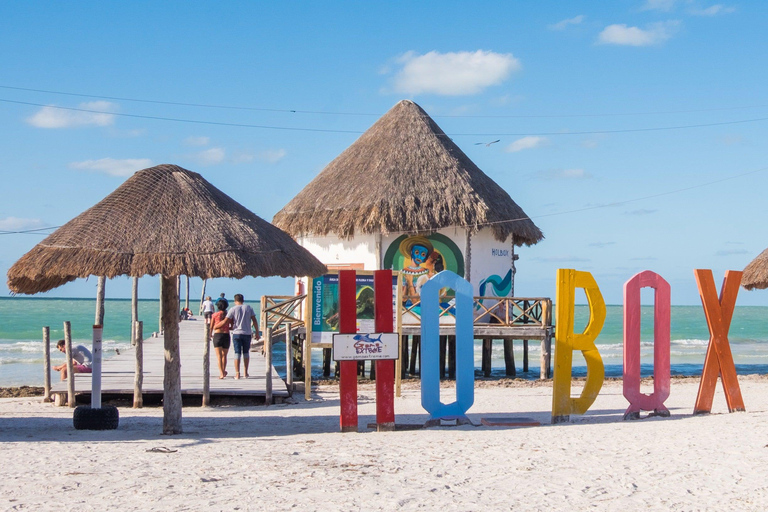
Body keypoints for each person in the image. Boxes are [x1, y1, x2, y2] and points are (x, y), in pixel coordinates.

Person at [215, 293, 259, 380]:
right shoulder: (249, 308)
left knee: (237, 353)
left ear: (235, 301)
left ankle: (237, 374)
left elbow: (225, 321)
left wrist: (215, 327)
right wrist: (257, 332)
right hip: (247, 333)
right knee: (246, 353)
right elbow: (254, 320)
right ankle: (245, 373)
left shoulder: (233, 309)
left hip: (237, 333)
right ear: (243, 300)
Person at [209, 299, 230, 379]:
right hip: (226, 335)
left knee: (219, 356)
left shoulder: (214, 315)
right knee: (224, 356)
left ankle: (221, 373)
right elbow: (231, 325)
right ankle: (223, 371)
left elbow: (211, 327)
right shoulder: (228, 315)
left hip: (217, 335)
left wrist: (210, 335)